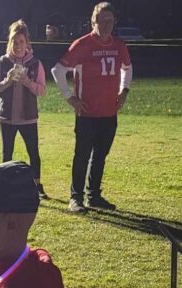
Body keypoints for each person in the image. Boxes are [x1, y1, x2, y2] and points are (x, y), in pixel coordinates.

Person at [51, 2, 132, 213]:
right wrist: (70, 98)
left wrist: (124, 91)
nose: (107, 25)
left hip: (109, 112)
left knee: (100, 156)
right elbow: (57, 71)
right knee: (82, 156)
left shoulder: (119, 45)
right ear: (93, 21)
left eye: (110, 21)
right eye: (102, 21)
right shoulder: (82, 45)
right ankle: (75, 197)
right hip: (87, 113)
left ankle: (93, 195)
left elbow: (127, 68)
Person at [0, 20, 48, 200]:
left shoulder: (35, 64)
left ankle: (37, 186)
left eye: (21, 41)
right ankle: (5, 186)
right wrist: (7, 81)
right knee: (7, 152)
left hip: (28, 118)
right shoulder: (2, 62)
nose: (18, 46)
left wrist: (26, 82)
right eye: (15, 41)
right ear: (10, 42)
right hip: (6, 117)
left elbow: (42, 90)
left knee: (33, 152)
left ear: (27, 43)